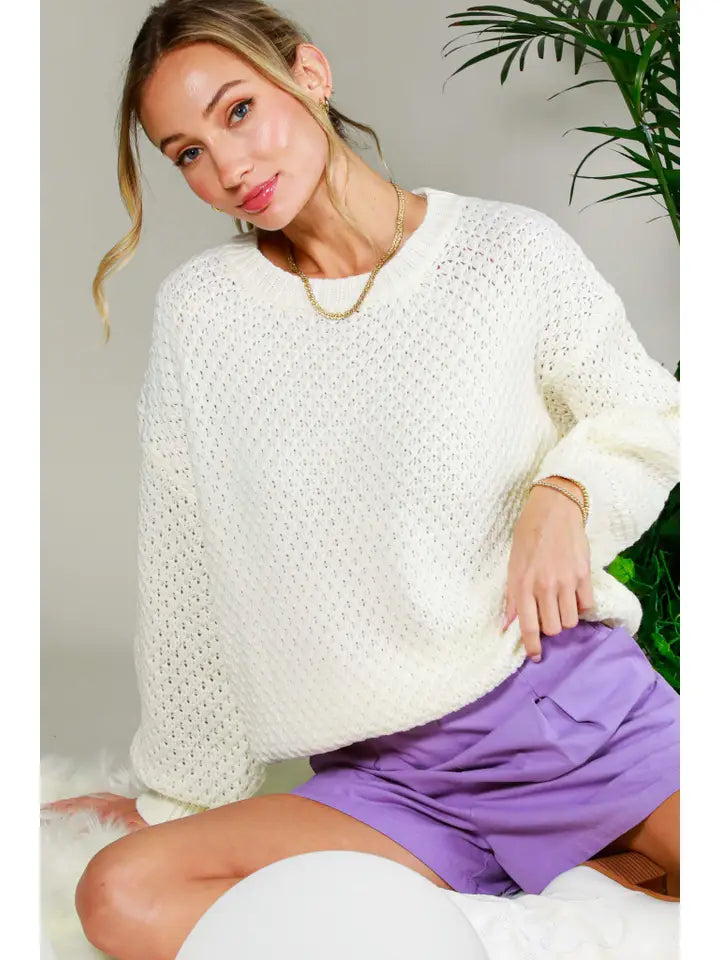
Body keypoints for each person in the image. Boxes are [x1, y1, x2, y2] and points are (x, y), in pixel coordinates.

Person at [41, 2, 680, 959]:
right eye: (187, 154)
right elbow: (184, 573)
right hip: (386, 781)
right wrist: (178, 797)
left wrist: (568, 493)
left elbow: (651, 412)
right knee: (121, 895)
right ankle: (509, 920)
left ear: (310, 74)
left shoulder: (506, 254)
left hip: (564, 719)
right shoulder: (203, 317)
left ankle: (537, 893)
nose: (228, 169)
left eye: (238, 111)